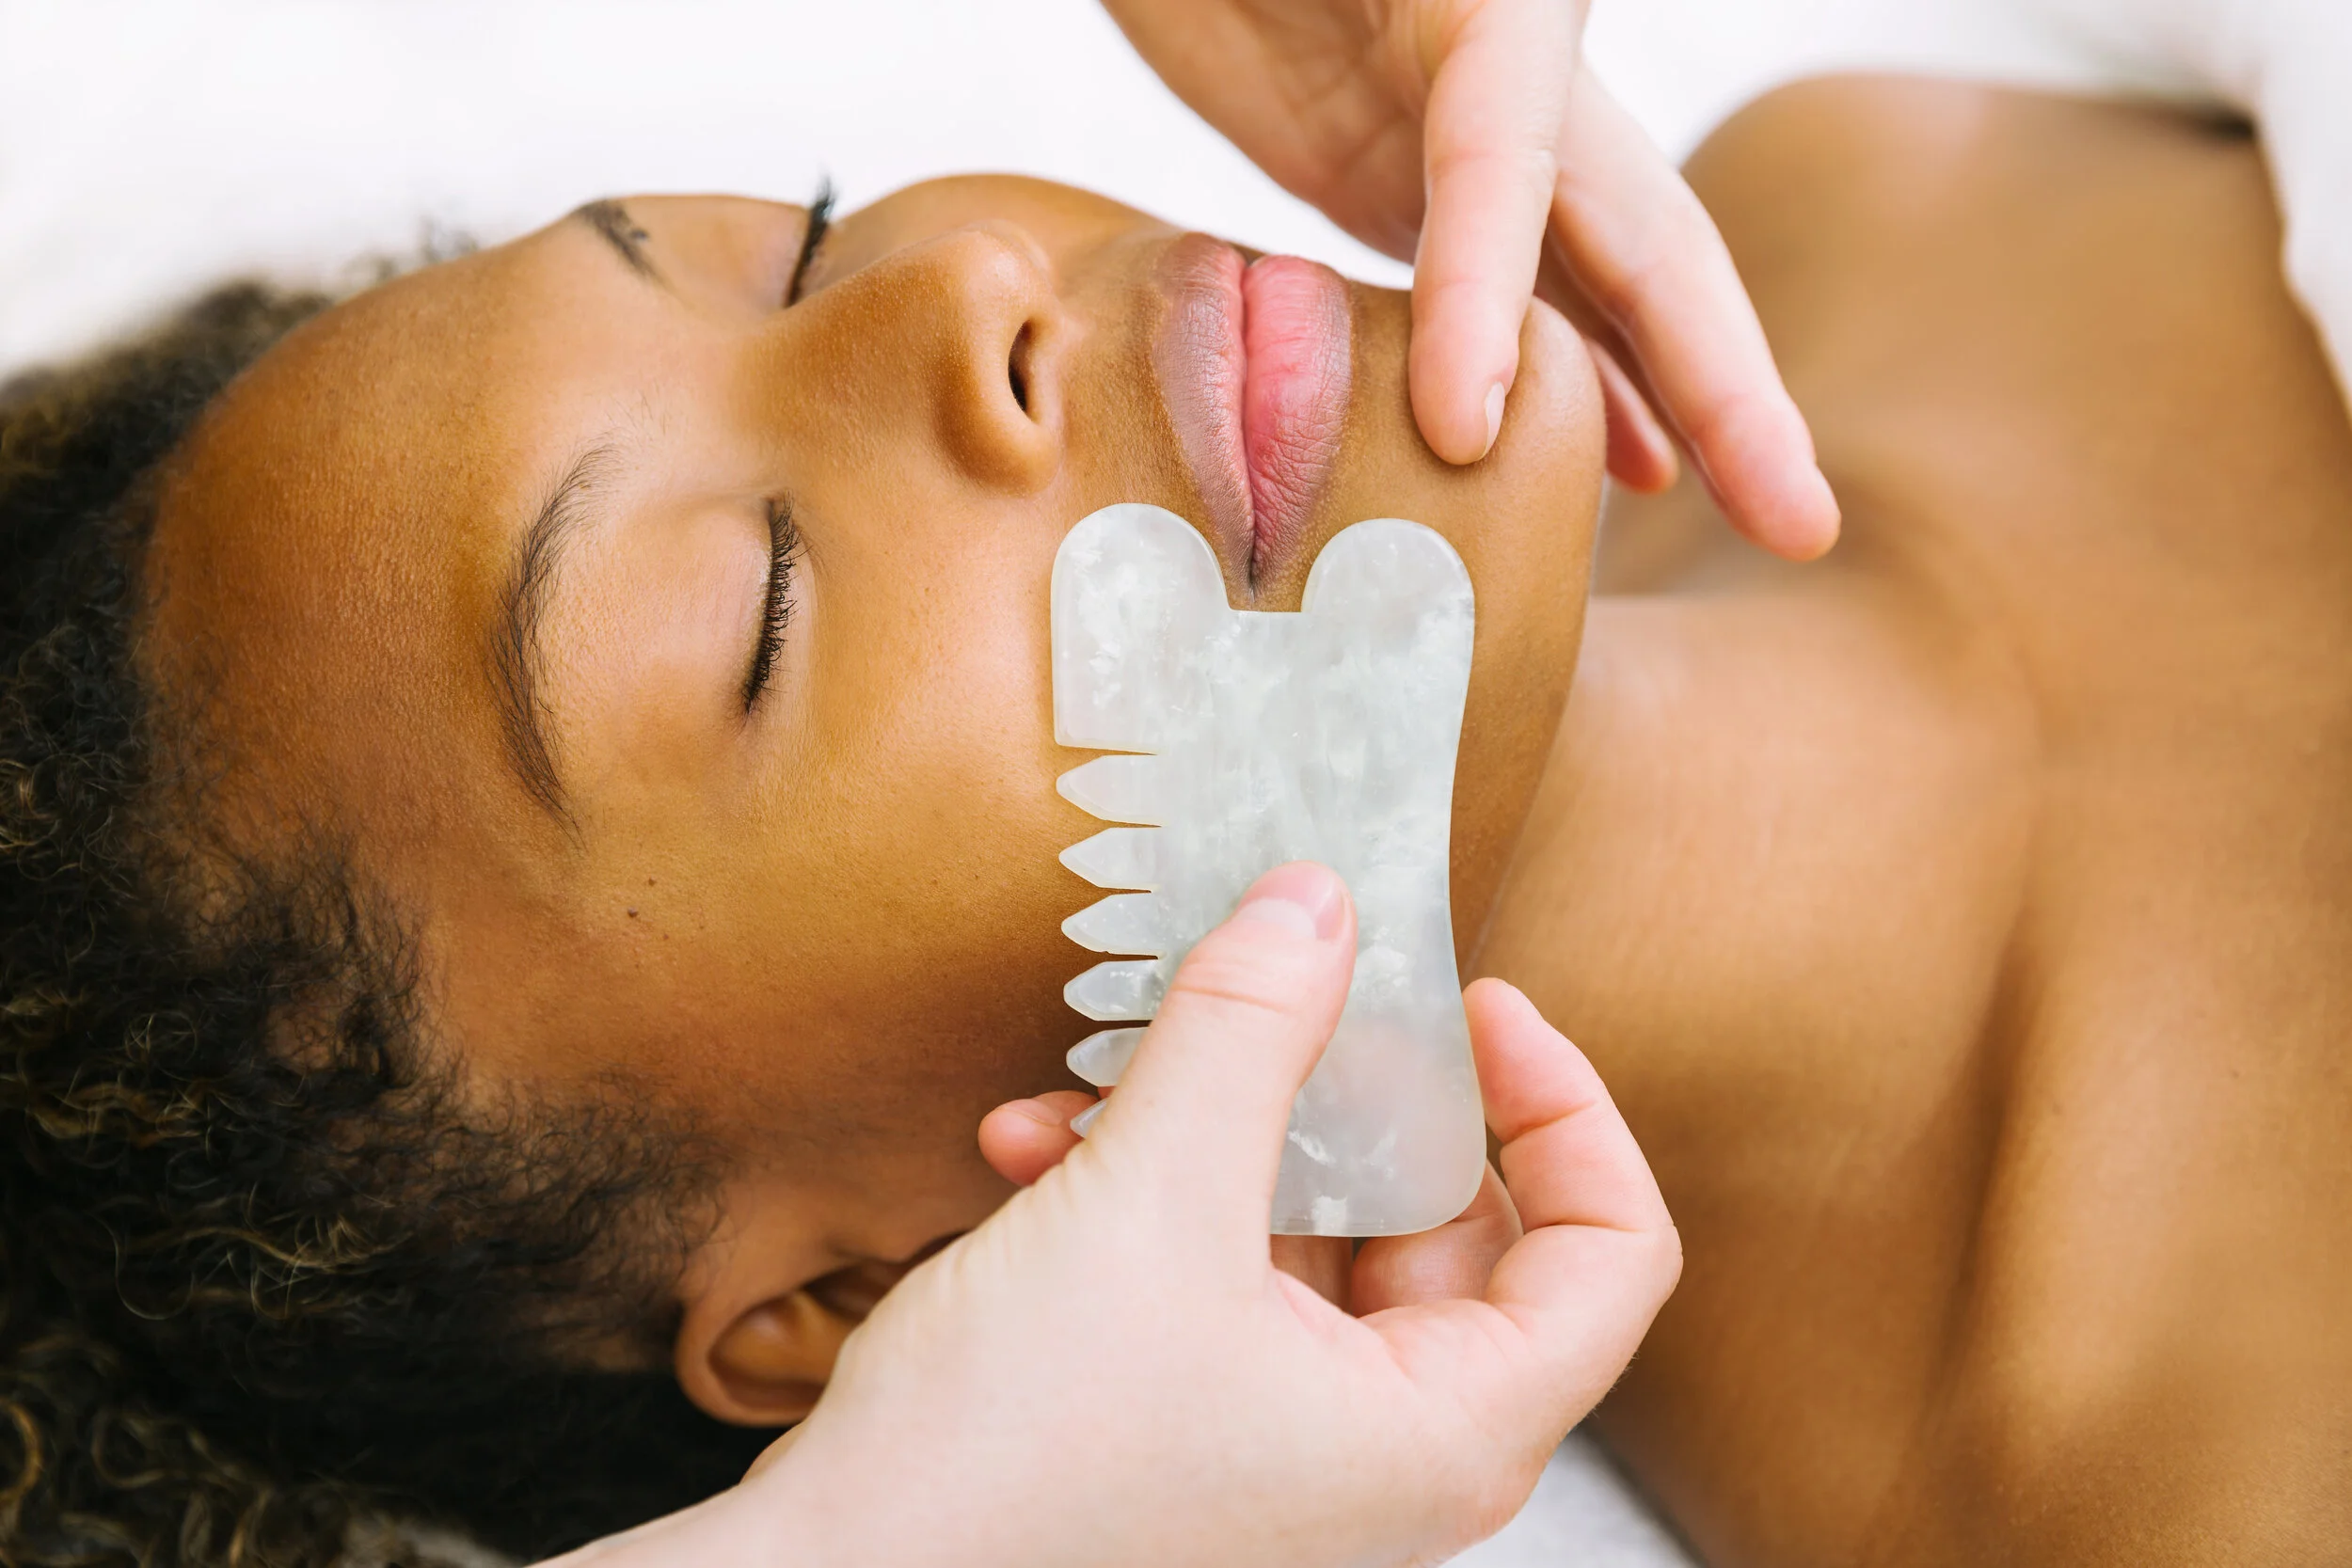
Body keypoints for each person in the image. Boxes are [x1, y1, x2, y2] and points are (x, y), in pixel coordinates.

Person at [2, 73, 2345, 1568]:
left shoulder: (1870, 186)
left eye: (797, 244)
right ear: (872, 1305)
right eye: (756, 613)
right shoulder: (2204, 1489)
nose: (954, 290)